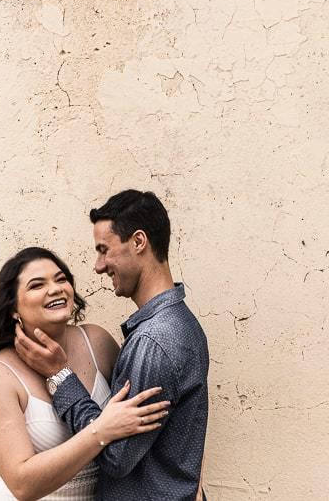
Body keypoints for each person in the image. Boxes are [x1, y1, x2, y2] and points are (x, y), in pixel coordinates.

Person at [15, 190, 209, 501]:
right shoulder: (181, 323)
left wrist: (59, 375)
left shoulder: (152, 341)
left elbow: (116, 456)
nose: (98, 265)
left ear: (138, 242)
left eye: (104, 250)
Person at [0, 246, 171, 500]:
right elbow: (22, 485)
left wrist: (190, 480)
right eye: (36, 285)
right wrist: (101, 430)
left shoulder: (97, 342)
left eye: (61, 279)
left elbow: (151, 418)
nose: (55, 289)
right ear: (13, 309)